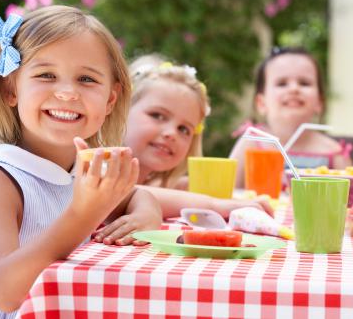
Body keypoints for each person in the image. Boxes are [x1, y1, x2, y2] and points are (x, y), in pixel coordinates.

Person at [0, 6, 162, 316]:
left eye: (86, 79)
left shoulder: (80, 167)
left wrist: (146, 213)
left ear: (110, 101)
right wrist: (82, 214)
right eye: (46, 75)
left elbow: (136, 194)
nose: (66, 93)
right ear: (11, 88)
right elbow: (6, 292)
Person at [89, 55, 274, 245]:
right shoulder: (95, 165)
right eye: (157, 115)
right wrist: (217, 205)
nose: (171, 133)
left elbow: (163, 191)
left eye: (184, 129)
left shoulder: (159, 181)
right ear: (120, 108)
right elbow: (131, 192)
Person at [229, 47, 353, 187]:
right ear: (261, 103)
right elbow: (227, 193)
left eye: (304, 83)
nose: (294, 88)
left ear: (319, 102)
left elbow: (352, 201)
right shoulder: (252, 142)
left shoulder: (333, 153)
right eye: (282, 83)